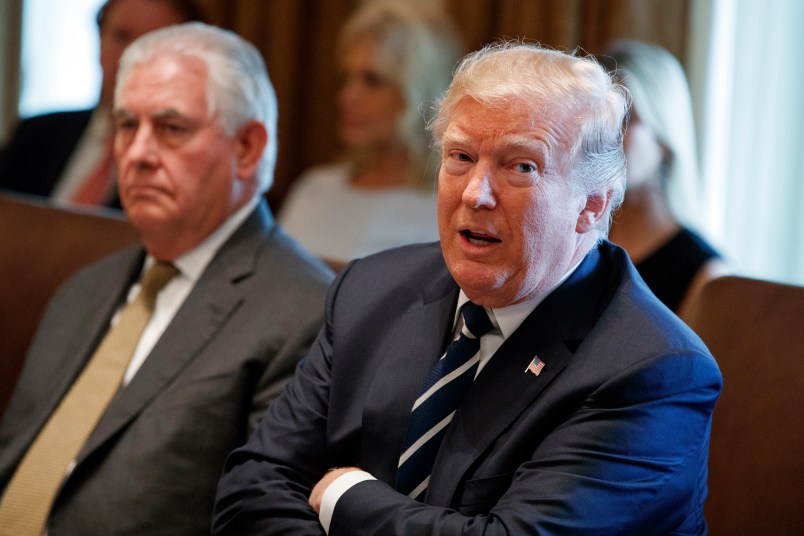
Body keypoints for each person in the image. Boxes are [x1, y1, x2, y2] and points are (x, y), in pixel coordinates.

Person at [212, 42, 723, 535]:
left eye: (521, 166)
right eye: (460, 157)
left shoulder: (653, 371)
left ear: (591, 205)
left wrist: (345, 497)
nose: (476, 193)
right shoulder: (370, 291)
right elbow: (250, 489)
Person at [0, 22, 332, 535]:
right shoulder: (83, 288)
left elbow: (261, 520)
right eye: (127, 125)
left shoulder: (304, 314)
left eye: (171, 128)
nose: (137, 154)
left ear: (247, 147)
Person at [278, 0, 462, 266]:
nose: (347, 97)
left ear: (419, 90)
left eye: (372, 80)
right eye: (348, 78)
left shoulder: (447, 210)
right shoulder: (313, 189)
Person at [0, 0, 204, 208]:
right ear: (99, 40)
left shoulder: (189, 164)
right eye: (121, 37)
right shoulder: (37, 134)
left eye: (152, 45)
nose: (132, 57)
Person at [599, 40, 729, 319]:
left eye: (627, 118)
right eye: (601, 120)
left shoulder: (706, 276)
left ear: (665, 138)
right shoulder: (580, 244)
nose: (607, 136)